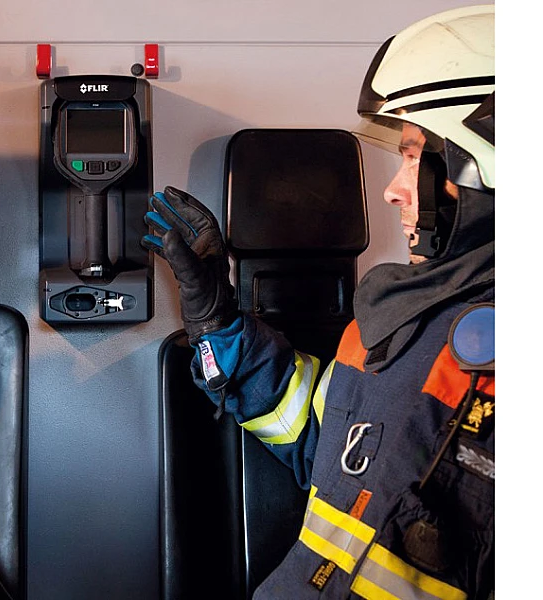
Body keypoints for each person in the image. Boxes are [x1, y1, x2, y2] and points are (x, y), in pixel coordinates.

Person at [142, 4, 495, 599]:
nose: (394, 189)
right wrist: (216, 321)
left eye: (414, 156)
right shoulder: (389, 324)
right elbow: (317, 437)